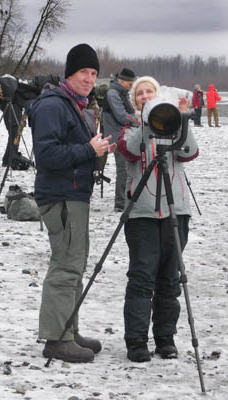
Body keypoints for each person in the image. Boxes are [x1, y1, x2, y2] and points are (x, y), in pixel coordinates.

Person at [29, 43, 115, 363]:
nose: (89, 78)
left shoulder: (76, 105)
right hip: (61, 197)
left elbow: (75, 151)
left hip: (75, 195)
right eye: (83, 72)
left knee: (76, 266)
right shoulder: (54, 105)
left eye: (94, 73)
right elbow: (47, 156)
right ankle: (56, 338)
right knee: (65, 266)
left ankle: (69, 328)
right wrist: (89, 151)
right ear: (70, 73)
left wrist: (97, 152)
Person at [117, 76, 199, 363]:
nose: (145, 95)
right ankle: (136, 340)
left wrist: (183, 119)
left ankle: (165, 338)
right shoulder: (130, 127)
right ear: (134, 100)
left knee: (170, 278)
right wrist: (146, 122)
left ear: (158, 93)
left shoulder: (174, 124)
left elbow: (189, 152)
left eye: (149, 91)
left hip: (176, 212)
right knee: (141, 277)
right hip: (142, 214)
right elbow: (129, 150)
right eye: (139, 93)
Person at [103, 67, 137, 212]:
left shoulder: (121, 93)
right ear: (122, 81)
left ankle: (126, 200)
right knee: (123, 170)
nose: (131, 86)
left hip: (124, 135)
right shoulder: (113, 93)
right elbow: (122, 116)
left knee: (127, 169)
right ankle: (121, 203)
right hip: (118, 137)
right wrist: (139, 120)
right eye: (130, 83)